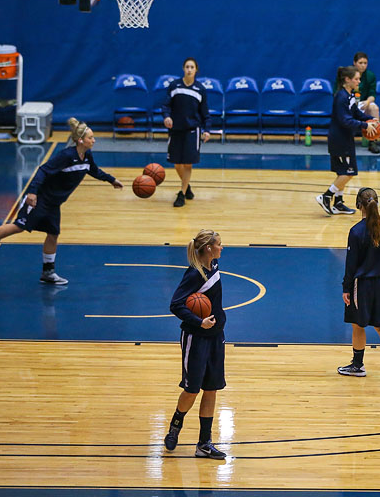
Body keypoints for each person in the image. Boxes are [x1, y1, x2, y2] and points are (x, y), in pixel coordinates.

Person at [0, 117, 123, 284]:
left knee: (53, 234)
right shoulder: (66, 156)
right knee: (19, 226)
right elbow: (43, 170)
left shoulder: (86, 156)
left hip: (54, 203)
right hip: (40, 199)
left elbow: (94, 170)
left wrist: (111, 180)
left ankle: (48, 272)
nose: (94, 140)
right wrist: (32, 193)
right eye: (91, 137)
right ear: (80, 140)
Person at [164, 229, 228, 459]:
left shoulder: (214, 265)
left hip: (216, 336)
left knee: (211, 389)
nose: (222, 247)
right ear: (209, 248)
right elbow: (176, 304)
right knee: (191, 390)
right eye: (219, 244)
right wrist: (199, 322)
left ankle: (204, 443)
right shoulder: (194, 274)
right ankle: (175, 426)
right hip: (196, 338)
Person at [339, 188, 380, 382]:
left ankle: (357, 365)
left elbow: (351, 264)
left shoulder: (356, 231)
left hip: (362, 285)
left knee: (357, 325)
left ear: (359, 205)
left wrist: (346, 288)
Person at [316, 67, 379, 216]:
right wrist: (365, 125)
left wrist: (370, 119)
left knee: (342, 172)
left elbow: (356, 113)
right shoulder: (341, 97)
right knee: (349, 172)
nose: (359, 81)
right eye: (356, 79)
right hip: (339, 139)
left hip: (345, 138)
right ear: (347, 80)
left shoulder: (349, 95)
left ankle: (338, 203)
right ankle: (326, 196)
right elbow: (345, 120)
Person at [162, 57, 211, 208]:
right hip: (176, 129)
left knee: (187, 163)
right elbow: (166, 105)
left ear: (196, 70)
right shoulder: (174, 85)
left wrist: (207, 130)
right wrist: (167, 116)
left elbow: (205, 113)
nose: (189, 69)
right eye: (187, 67)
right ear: (183, 69)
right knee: (177, 163)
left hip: (192, 130)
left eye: (192, 67)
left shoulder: (200, 89)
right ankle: (186, 185)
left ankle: (181, 194)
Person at [354, 52, 380, 154]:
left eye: (365, 63)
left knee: (374, 108)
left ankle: (373, 140)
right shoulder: (348, 74)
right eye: (360, 63)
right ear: (354, 63)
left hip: (363, 103)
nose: (363, 65)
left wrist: (368, 101)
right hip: (350, 102)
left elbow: (372, 94)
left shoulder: (370, 75)